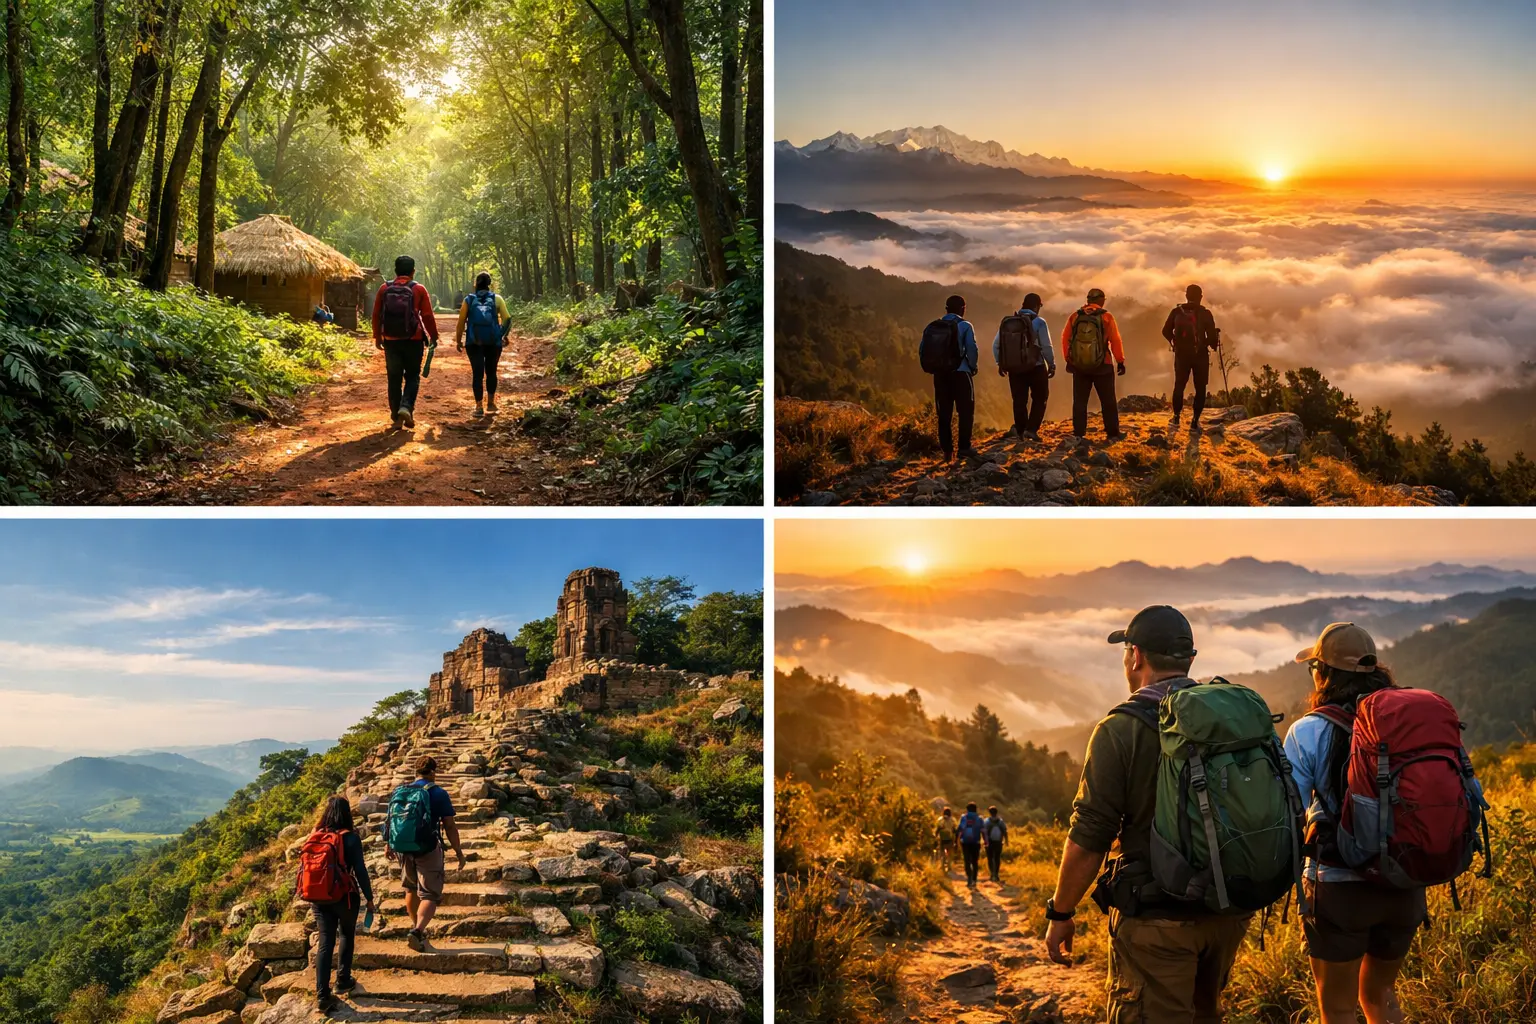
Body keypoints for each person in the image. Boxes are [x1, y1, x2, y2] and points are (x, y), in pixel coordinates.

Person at [1045, 605, 1251, 1023]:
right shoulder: (1230, 717)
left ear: (1135, 656)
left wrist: (1061, 912)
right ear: (1190, 659)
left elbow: (1091, 833)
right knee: (1204, 1013)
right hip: (1228, 912)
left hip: (1157, 919)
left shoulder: (1120, 730)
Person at [1284, 623, 1425, 1024]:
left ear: (1323, 673)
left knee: (1338, 1008)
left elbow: (1288, 807)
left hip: (1338, 888)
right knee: (1381, 996)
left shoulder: (1309, 731)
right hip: (1404, 881)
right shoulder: (1406, 719)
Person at [304, 796, 374, 1014]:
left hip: (318, 897)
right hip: (344, 897)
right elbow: (360, 871)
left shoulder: (316, 836)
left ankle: (322, 995)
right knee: (346, 935)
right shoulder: (351, 838)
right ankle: (342, 980)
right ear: (347, 814)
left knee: (325, 943)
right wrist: (370, 898)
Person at [391, 755, 466, 952]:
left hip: (403, 847)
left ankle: (416, 928)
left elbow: (392, 820)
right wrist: (458, 851)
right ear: (433, 771)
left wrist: (388, 844)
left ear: (415, 772)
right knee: (430, 894)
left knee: (410, 889)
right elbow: (449, 826)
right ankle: (417, 931)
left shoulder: (400, 791)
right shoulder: (438, 793)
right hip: (428, 847)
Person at [371, 255, 439, 430]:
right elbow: (427, 316)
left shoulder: (384, 289)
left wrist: (378, 337)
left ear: (395, 271)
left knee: (394, 378)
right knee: (412, 376)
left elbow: (376, 315)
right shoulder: (419, 289)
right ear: (413, 271)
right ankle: (406, 407)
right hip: (413, 340)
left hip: (391, 341)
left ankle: (396, 415)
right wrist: (433, 336)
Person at [1060, 288, 1127, 442]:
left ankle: (1079, 434)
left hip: (1079, 366)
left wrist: (1069, 360)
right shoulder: (1106, 317)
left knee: (1080, 400)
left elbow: (1066, 339)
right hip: (1103, 365)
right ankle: (1112, 433)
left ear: (1088, 300)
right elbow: (1115, 340)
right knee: (1108, 400)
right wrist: (1120, 361)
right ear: (1102, 300)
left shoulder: (1075, 316)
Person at [993, 292, 1055, 441]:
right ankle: (1032, 430)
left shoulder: (1009, 321)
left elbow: (996, 345)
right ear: (1036, 306)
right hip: (1036, 366)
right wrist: (1051, 364)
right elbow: (1046, 346)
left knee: (1019, 400)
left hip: (1015, 367)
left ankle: (1021, 431)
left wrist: (1000, 363)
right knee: (1040, 398)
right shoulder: (1039, 322)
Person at [1161, 284, 1221, 432]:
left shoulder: (1176, 311)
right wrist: (1211, 340)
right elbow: (1212, 340)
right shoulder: (1205, 313)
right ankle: (1195, 421)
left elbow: (1165, 331)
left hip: (1182, 355)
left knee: (1179, 385)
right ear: (1200, 297)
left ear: (1186, 296)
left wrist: (1174, 341)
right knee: (1200, 388)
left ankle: (1176, 417)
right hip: (1200, 355)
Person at [454, 272, 514, 418]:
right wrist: (503, 335)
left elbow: (461, 322)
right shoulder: (497, 299)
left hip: (473, 342)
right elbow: (507, 318)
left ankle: (478, 407)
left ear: (476, 283)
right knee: (491, 371)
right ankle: (491, 403)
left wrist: (458, 340)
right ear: (489, 284)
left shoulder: (468, 300)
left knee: (477, 373)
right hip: (493, 342)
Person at [934, 295, 979, 461]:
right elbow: (972, 349)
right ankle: (964, 448)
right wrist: (972, 367)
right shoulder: (965, 325)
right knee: (966, 411)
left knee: (944, 413)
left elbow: (923, 350)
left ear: (946, 309)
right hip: (961, 373)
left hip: (940, 375)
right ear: (963, 308)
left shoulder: (935, 326)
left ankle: (947, 452)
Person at [956, 801, 985, 888]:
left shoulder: (964, 817)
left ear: (967, 809)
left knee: (967, 860)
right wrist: (986, 841)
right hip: (976, 843)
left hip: (965, 843)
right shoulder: (980, 819)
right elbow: (983, 831)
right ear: (976, 809)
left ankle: (969, 878)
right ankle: (974, 880)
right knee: (975, 862)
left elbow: (960, 829)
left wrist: (956, 840)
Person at [983, 805, 1008, 883]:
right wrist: (1006, 841)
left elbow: (984, 832)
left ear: (990, 813)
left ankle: (991, 874)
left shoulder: (986, 821)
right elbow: (1005, 831)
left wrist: (985, 841)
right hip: (998, 842)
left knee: (990, 858)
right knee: (997, 858)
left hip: (989, 842)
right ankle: (996, 875)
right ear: (996, 812)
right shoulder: (1000, 821)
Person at [935, 806, 957, 874]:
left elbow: (937, 829)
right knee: (949, 853)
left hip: (942, 839)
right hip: (950, 839)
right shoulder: (953, 820)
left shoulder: (940, 819)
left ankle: (942, 866)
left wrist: (935, 836)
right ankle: (949, 866)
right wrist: (955, 839)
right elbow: (954, 830)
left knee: (942, 853)